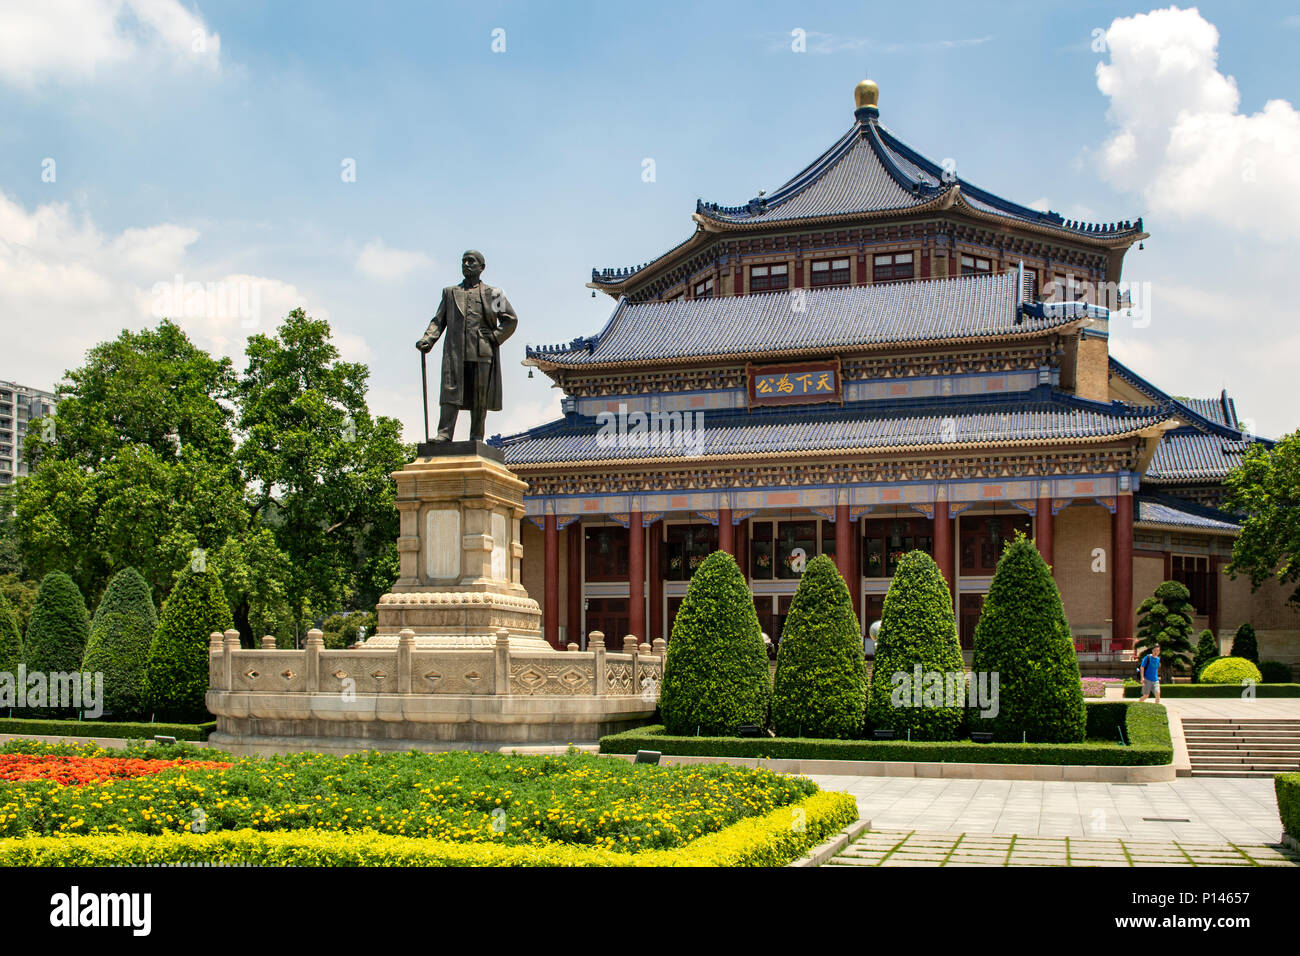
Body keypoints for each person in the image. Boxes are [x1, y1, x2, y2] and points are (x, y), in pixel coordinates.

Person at [416, 250, 518, 442]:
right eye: (464, 261)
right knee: (450, 390)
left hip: (481, 351)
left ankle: (477, 436)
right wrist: (428, 339)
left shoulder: (493, 294)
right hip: (455, 351)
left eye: (471, 261)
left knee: (479, 396)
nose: (467, 265)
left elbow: (510, 320)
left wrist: (495, 336)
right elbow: (438, 321)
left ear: (482, 267)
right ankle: (444, 433)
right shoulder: (450, 293)